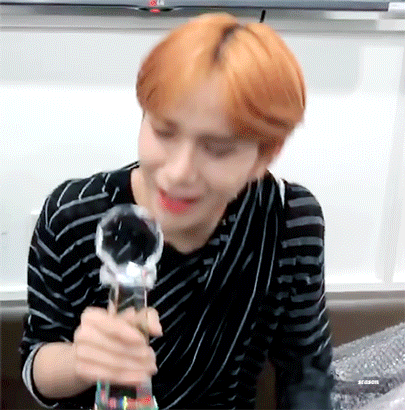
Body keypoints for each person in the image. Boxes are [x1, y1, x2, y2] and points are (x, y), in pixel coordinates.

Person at [20, 12, 334, 410]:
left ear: (265, 155)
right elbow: (36, 363)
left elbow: (307, 371)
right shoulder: (73, 216)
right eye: (163, 131)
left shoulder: (288, 221)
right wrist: (82, 360)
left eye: (217, 149)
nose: (178, 172)